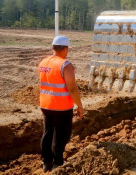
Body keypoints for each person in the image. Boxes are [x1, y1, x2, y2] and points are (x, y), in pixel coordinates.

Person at [38, 35, 84, 172]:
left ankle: (46, 162)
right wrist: (79, 105)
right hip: (61, 106)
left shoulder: (43, 63)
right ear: (65, 49)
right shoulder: (65, 65)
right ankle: (58, 163)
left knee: (48, 132)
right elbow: (72, 88)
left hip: (45, 104)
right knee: (61, 135)